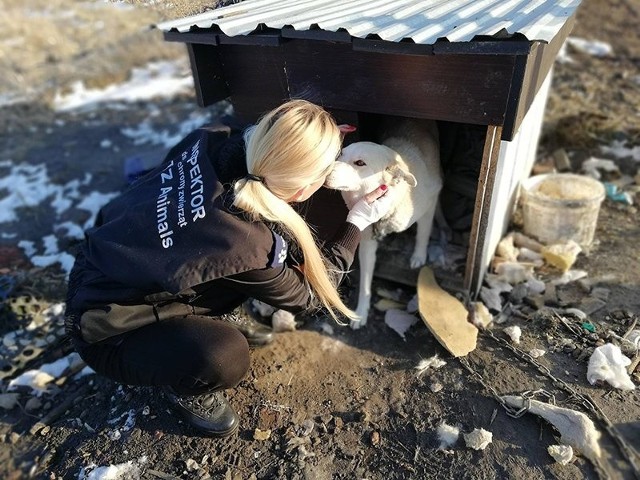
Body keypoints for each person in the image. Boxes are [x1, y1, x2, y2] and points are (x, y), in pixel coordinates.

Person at [64, 99, 394, 437]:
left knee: (228, 270)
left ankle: (199, 314)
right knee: (225, 356)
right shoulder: (243, 242)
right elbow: (311, 296)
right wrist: (357, 222)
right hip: (108, 328)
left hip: (105, 261)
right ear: (302, 190)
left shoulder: (211, 140)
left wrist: (298, 145)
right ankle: (182, 385)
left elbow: (244, 144)